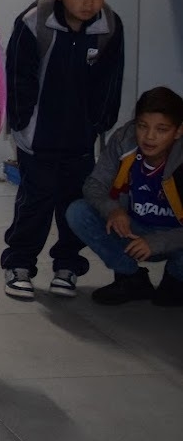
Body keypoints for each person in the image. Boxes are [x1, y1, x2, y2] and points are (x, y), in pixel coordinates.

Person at [0, 0, 125, 300]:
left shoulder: (110, 27)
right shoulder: (34, 22)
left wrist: (99, 123)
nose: (89, 2)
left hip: (80, 139)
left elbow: (110, 80)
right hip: (37, 137)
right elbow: (18, 75)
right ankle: (19, 264)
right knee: (35, 202)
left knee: (74, 204)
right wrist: (21, 122)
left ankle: (67, 266)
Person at [66, 86, 183, 306]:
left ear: (178, 131)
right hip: (133, 229)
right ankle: (131, 279)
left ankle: (176, 280)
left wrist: (156, 242)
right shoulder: (123, 140)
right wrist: (113, 209)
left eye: (162, 129)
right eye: (142, 126)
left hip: (176, 237)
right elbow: (94, 184)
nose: (149, 136)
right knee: (78, 212)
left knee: (169, 298)